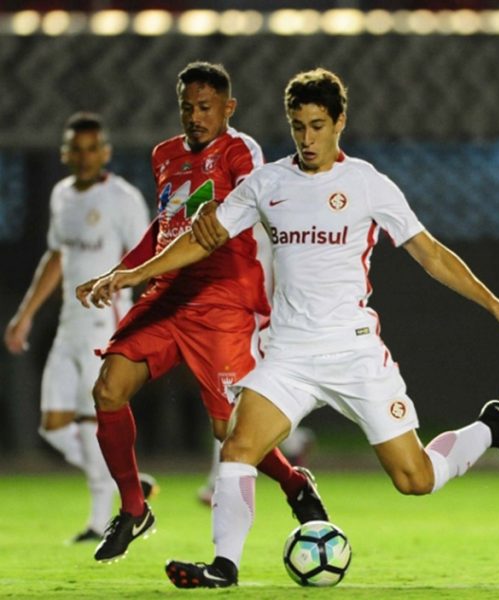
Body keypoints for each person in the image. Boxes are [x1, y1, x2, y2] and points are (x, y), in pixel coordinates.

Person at [85, 68, 499, 588]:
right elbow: (205, 236)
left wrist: (495, 305)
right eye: (297, 126)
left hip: (352, 351)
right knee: (238, 447)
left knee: (414, 479)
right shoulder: (267, 183)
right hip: (289, 354)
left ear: (339, 123)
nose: (307, 139)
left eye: (317, 125)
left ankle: (490, 426)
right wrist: (133, 274)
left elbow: (430, 254)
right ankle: (224, 566)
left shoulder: (367, 183)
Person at [75, 61, 328, 564]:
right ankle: (132, 508)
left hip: (222, 299)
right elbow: (164, 228)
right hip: (169, 293)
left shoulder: (240, 150)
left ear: (228, 109)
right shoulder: (164, 155)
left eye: (206, 107)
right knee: (108, 388)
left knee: (229, 432)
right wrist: (119, 272)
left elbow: (247, 206)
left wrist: (225, 215)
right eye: (188, 107)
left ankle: (295, 482)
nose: (195, 116)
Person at [3, 112, 153, 543]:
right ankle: (131, 484)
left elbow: (145, 258)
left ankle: (98, 519)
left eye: (93, 149)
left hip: (103, 324)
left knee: (92, 420)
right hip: (69, 325)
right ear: (65, 153)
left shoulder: (121, 198)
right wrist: (26, 314)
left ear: (105, 152)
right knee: (52, 426)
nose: (85, 157)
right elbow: (56, 257)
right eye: (77, 149)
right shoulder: (61, 196)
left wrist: (142, 319)